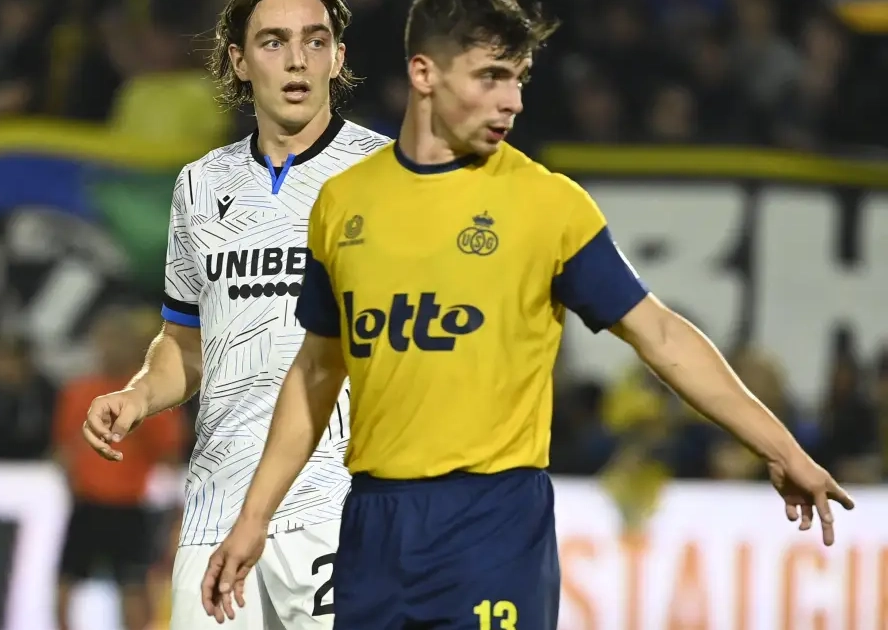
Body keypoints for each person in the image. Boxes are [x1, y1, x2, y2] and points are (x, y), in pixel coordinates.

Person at [202, 1, 856, 629]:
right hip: (375, 523)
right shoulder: (342, 204)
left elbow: (659, 332)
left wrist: (780, 448)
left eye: (518, 79)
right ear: (424, 73)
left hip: (492, 522)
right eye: (491, 77)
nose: (512, 100)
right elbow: (317, 371)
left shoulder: (548, 206)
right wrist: (255, 517)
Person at [80, 0, 389, 628]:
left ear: (338, 57)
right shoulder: (199, 184)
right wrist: (139, 394)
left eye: (315, 41)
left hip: (340, 503)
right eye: (273, 42)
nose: (297, 60)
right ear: (239, 61)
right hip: (216, 511)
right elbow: (185, 342)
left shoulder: (385, 177)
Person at [55, 306, 185, 630]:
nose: (109, 347)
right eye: (104, 339)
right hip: (87, 503)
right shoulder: (78, 390)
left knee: (133, 588)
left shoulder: (148, 394)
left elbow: (169, 453)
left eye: (117, 339)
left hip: (130, 506)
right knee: (65, 583)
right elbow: (64, 447)